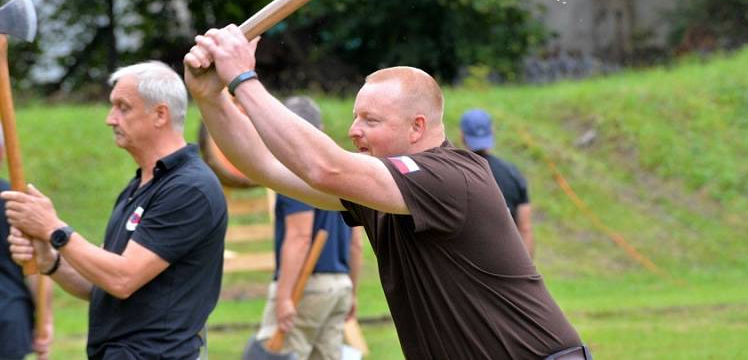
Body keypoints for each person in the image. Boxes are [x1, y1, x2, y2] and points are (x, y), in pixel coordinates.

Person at [184, 25, 591, 360]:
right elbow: (266, 166)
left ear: (417, 127)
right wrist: (212, 98)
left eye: (370, 120)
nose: (353, 130)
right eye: (356, 116)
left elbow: (325, 167)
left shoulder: (451, 177)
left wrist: (243, 79)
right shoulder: (381, 193)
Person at [1, 61, 228, 360]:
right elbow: (100, 283)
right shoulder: (140, 186)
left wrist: (54, 230)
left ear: (160, 114)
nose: (110, 119)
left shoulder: (189, 189)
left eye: (123, 107)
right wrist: (50, 260)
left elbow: (123, 279)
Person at [252, 95, 363, 360]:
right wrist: (351, 291)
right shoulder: (344, 171)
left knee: (277, 356)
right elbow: (356, 243)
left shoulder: (295, 170)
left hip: (306, 287)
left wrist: (284, 297)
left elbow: (300, 237)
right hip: (339, 286)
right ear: (321, 130)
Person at [0, 133, 53, 360]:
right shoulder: (17, 202)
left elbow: (37, 262)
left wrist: (45, 321)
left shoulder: (16, 205)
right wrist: (46, 319)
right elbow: (39, 267)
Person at [459, 108, 535, 257]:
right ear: (492, 132)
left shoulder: (452, 173)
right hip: (507, 263)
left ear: (462, 136)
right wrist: (527, 272)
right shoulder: (512, 173)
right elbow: (525, 227)